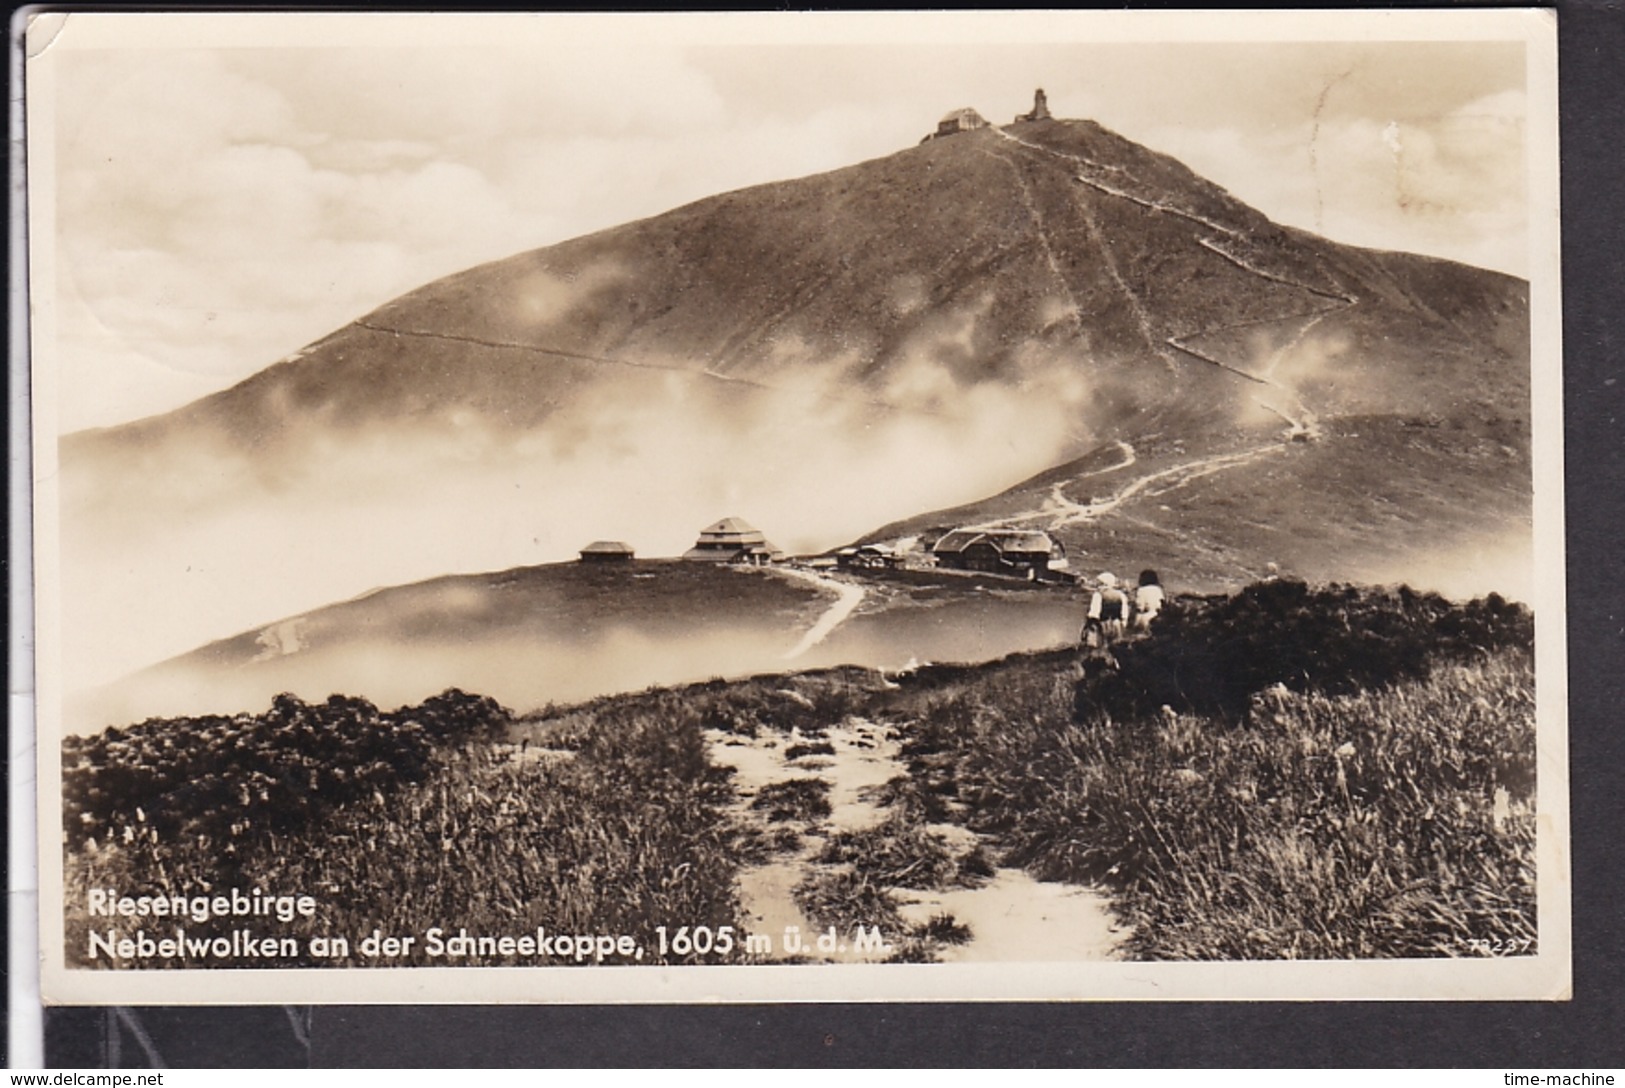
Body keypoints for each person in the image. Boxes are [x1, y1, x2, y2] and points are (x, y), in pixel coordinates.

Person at [1082, 571, 1129, 648]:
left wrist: (1088, 626)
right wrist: (1122, 624)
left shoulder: (1098, 594)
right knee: (1115, 646)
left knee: (1100, 648)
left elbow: (1093, 614)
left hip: (1102, 625)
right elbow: (1124, 614)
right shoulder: (1121, 595)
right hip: (1116, 625)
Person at [1132, 569, 1165, 633]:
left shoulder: (1141, 590)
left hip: (1147, 618)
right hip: (1158, 617)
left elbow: (1140, 608)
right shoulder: (1158, 590)